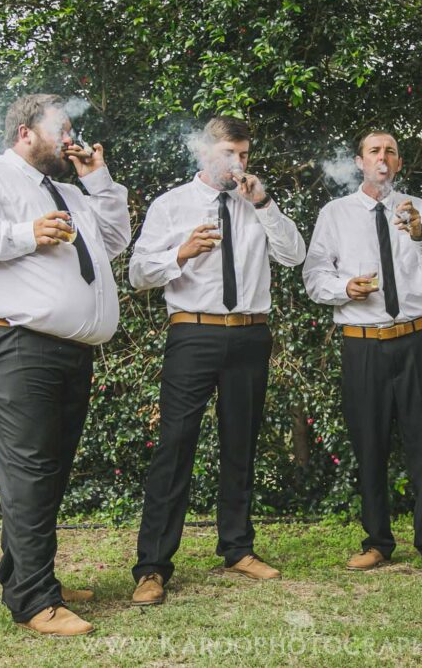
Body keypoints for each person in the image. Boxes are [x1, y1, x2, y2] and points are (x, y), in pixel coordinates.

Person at [0, 93, 132, 635]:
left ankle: (28, 577)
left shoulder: (71, 194)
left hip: (66, 349)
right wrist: (23, 234)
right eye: (61, 127)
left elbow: (113, 241)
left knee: (48, 468)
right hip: (8, 340)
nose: (70, 138)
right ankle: (35, 601)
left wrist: (99, 180)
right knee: (32, 468)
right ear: (25, 133)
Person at [127, 116, 306, 605]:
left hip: (250, 334)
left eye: (244, 154)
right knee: (175, 446)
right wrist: (181, 253)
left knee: (241, 443)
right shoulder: (171, 205)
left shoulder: (257, 203)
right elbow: (138, 273)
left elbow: (294, 255)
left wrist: (264, 204)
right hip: (194, 333)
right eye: (229, 153)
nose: (238, 163)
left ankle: (237, 547)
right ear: (204, 152)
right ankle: (152, 566)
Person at [303, 131, 422, 577]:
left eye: (390, 151)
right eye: (374, 151)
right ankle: (377, 541)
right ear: (360, 162)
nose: (382, 157)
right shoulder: (335, 214)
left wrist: (420, 234)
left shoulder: (417, 208)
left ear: (399, 163)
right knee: (368, 441)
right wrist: (344, 288)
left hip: (414, 339)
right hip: (363, 341)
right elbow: (314, 277)